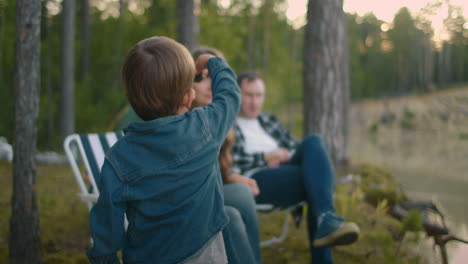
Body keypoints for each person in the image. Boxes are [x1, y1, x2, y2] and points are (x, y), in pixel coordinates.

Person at [87, 36, 240, 264]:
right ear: (189, 97)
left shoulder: (118, 157)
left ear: (131, 99)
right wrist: (213, 62)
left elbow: (107, 221)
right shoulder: (204, 127)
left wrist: (106, 258)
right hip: (205, 253)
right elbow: (230, 95)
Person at [231, 71, 360, 264]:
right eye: (249, 95)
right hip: (255, 179)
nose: (254, 102)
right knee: (315, 181)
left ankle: (325, 218)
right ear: (238, 94)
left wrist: (283, 157)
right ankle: (326, 222)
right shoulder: (230, 123)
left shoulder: (268, 121)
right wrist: (266, 157)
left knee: (313, 142)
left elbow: (294, 147)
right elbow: (233, 161)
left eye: (259, 96)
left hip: (285, 168)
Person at [191, 47, 262, 264]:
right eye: (202, 78)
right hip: (188, 198)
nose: (211, 84)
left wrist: (233, 177)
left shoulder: (219, 120)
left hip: (208, 192)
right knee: (230, 214)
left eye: (216, 78)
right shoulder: (184, 120)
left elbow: (214, 173)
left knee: (242, 192)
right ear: (186, 83)